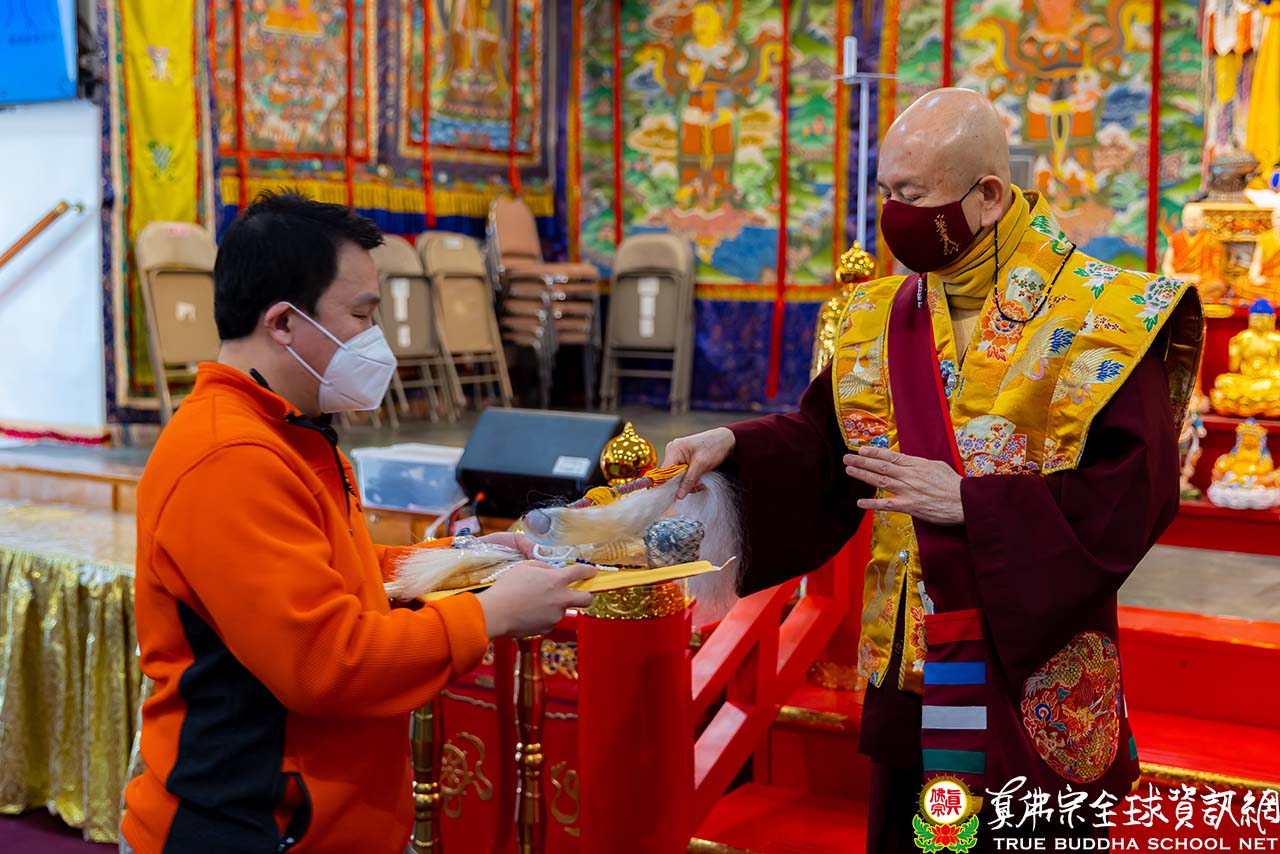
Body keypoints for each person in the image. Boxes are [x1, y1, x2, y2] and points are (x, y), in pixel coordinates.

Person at [665, 89, 1204, 851]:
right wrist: (733, 443)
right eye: (885, 192)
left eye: (912, 195)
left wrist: (976, 506)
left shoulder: (1106, 316)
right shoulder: (880, 315)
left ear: (988, 196)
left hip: (1030, 661)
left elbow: (1135, 493)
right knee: (923, 833)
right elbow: (829, 443)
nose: (893, 215)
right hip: (914, 660)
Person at [121, 191, 595, 854]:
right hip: (252, 828)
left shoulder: (289, 431)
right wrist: (489, 614)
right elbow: (326, 663)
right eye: (363, 315)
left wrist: (462, 562)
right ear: (283, 323)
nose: (378, 341)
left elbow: (331, 571)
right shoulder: (227, 456)